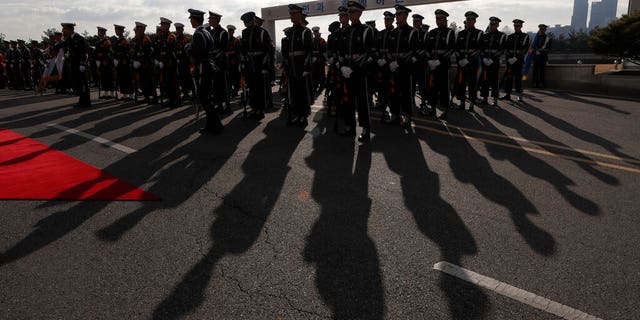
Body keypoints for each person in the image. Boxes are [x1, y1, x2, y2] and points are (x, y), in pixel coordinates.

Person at [339, 0, 375, 141]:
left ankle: (365, 128)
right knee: (348, 100)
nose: (350, 14)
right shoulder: (345, 31)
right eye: (349, 12)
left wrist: (353, 68)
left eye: (353, 12)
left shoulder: (366, 30)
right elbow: (341, 53)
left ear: (360, 13)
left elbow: (370, 54)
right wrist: (342, 66)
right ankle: (350, 126)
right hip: (346, 71)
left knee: (362, 101)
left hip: (360, 72)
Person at [188, 8, 224, 134]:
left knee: (204, 98)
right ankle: (212, 125)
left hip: (204, 67)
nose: (190, 22)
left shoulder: (198, 34)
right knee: (206, 97)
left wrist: (189, 51)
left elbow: (198, 53)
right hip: (209, 65)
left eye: (191, 19)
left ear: (195, 20)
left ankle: (216, 125)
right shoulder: (206, 32)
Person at [386, 5, 418, 127]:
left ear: (405, 15)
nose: (396, 17)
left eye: (398, 15)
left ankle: (407, 116)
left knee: (406, 93)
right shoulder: (393, 32)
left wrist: (398, 63)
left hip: (405, 68)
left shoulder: (412, 32)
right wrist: (390, 62)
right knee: (393, 92)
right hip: (393, 68)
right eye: (396, 15)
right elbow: (389, 50)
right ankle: (394, 113)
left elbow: (412, 52)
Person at [282, 4, 313, 127]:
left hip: (301, 66)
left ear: (300, 15)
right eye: (290, 14)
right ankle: (297, 115)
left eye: (294, 14)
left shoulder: (305, 31)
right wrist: (286, 65)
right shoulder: (289, 32)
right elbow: (285, 52)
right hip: (292, 67)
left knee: (302, 93)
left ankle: (303, 116)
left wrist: (307, 68)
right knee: (293, 93)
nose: (292, 16)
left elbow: (309, 51)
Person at [240, 11, 272, 120]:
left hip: (259, 63)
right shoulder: (244, 32)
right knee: (252, 88)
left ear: (253, 20)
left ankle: (260, 110)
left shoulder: (263, 32)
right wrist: (243, 63)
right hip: (249, 63)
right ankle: (254, 108)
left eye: (248, 22)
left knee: (260, 88)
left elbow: (268, 51)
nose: (247, 24)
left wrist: (265, 67)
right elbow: (243, 50)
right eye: (245, 23)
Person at [425, 9, 456, 119]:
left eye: (440, 19)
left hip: (442, 65)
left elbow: (451, 49)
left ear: (445, 19)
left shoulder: (449, 32)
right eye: (437, 18)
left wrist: (440, 61)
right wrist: (429, 60)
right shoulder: (432, 32)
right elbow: (427, 48)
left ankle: (444, 110)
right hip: (432, 64)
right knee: (432, 88)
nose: (438, 21)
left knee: (444, 89)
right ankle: (432, 109)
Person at [454, 11, 483, 111]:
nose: (469, 22)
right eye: (467, 20)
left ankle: (471, 104)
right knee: (461, 83)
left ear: (475, 21)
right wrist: (460, 60)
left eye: (471, 20)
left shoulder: (479, 33)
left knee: (472, 84)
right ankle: (462, 103)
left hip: (472, 64)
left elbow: (478, 49)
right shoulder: (461, 33)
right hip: (462, 63)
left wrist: (468, 59)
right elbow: (456, 48)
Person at [58, 22, 91, 107]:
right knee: (78, 83)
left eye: (64, 29)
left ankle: (86, 102)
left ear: (69, 29)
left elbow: (85, 51)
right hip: (74, 64)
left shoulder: (79, 38)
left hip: (80, 65)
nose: (62, 31)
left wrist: (83, 64)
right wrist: (53, 46)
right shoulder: (70, 39)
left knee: (83, 83)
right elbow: (63, 44)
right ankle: (81, 100)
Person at [207, 12, 231, 113]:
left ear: (216, 20)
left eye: (210, 19)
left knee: (223, 84)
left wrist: (216, 57)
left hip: (220, 61)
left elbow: (224, 48)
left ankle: (226, 105)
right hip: (213, 61)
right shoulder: (211, 32)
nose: (208, 21)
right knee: (216, 85)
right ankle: (219, 104)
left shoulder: (223, 32)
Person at [501, 19, 530, 101]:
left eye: (518, 26)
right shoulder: (509, 37)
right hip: (510, 61)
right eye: (515, 26)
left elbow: (525, 49)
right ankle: (507, 94)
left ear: (521, 26)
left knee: (518, 78)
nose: (516, 27)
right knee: (509, 78)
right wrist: (509, 59)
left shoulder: (525, 36)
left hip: (518, 61)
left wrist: (516, 57)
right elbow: (506, 49)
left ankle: (519, 95)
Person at [479, 17, 506, 107]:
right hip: (485, 61)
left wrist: (493, 58)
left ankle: (495, 99)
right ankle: (484, 98)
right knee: (484, 80)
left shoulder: (502, 35)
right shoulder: (485, 35)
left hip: (494, 62)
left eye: (494, 24)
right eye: (491, 24)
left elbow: (502, 49)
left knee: (494, 81)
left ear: (498, 25)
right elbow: (481, 48)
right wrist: (484, 58)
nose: (492, 26)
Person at [157, 17, 180, 108]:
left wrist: (164, 60)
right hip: (165, 63)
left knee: (173, 83)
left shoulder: (171, 36)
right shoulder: (163, 36)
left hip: (171, 63)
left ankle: (176, 101)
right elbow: (161, 50)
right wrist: (160, 60)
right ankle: (171, 100)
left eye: (163, 25)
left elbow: (170, 51)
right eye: (161, 25)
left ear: (167, 26)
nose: (161, 26)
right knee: (167, 84)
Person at [132, 21, 157, 104]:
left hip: (147, 64)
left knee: (150, 82)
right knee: (143, 82)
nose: (137, 31)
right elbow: (135, 52)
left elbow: (147, 53)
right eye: (137, 29)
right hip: (140, 65)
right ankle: (146, 97)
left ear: (143, 29)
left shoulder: (146, 39)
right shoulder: (138, 40)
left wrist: (140, 61)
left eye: (139, 29)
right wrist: (135, 61)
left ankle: (154, 98)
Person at [112, 24, 134, 100]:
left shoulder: (124, 40)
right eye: (115, 30)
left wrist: (118, 58)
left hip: (124, 62)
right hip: (119, 62)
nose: (116, 31)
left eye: (117, 30)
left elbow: (125, 52)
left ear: (121, 31)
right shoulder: (117, 40)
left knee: (127, 79)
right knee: (121, 79)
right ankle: (124, 95)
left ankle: (130, 95)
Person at [95, 26, 115, 98]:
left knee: (109, 78)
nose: (99, 33)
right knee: (104, 78)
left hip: (107, 62)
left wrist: (104, 59)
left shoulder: (106, 41)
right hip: (101, 62)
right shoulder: (98, 41)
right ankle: (106, 93)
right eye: (98, 32)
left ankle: (112, 93)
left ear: (104, 33)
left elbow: (108, 52)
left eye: (100, 32)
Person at [174, 22, 193, 100]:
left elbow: (188, 51)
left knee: (188, 78)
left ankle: (193, 93)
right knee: (181, 79)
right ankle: (185, 93)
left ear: (182, 29)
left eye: (179, 29)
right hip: (178, 61)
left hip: (185, 61)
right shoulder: (175, 38)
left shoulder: (186, 39)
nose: (178, 30)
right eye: (177, 29)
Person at [532, 24, 551, 88]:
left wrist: (540, 50)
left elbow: (549, 49)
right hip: (536, 57)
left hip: (543, 57)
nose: (541, 30)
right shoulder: (535, 38)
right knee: (535, 70)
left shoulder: (548, 39)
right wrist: (535, 51)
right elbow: (532, 47)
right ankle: (535, 82)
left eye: (543, 29)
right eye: (540, 29)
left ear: (545, 30)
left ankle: (541, 83)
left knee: (542, 71)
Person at [310, 26, 327, 96]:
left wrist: (319, 58)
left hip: (320, 60)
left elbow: (324, 51)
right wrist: (312, 57)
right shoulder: (312, 40)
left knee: (321, 74)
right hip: (314, 60)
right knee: (314, 74)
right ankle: (315, 86)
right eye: (314, 32)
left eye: (316, 32)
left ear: (318, 32)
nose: (315, 33)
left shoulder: (322, 41)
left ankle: (322, 87)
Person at [226, 24, 241, 98]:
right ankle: (229, 90)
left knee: (235, 77)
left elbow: (237, 51)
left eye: (231, 31)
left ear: (233, 32)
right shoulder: (225, 40)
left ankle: (236, 90)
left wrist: (230, 53)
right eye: (229, 30)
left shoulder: (236, 40)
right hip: (227, 62)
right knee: (228, 77)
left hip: (234, 62)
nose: (230, 32)